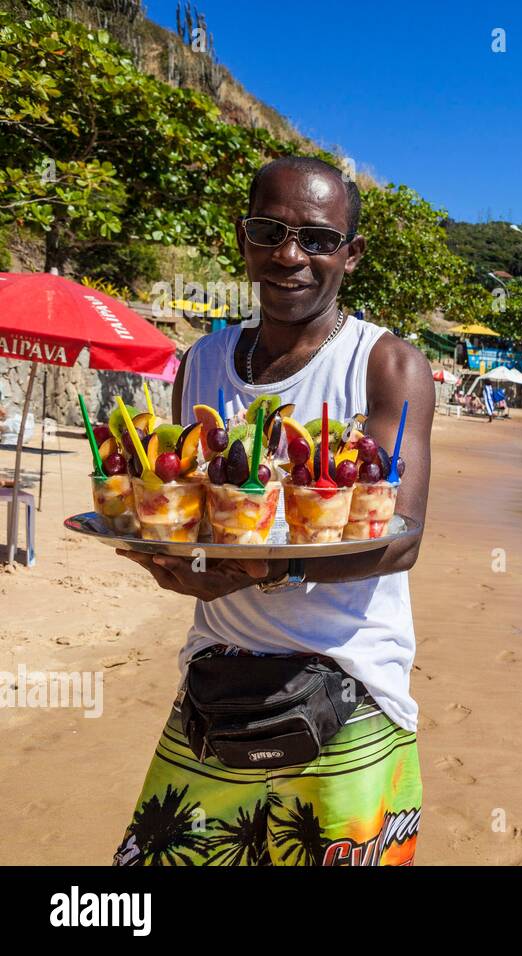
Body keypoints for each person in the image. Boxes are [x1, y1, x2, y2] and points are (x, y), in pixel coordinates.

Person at [112, 156, 434, 867]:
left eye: (318, 238)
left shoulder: (385, 365)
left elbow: (400, 540)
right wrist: (170, 557)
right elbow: (197, 515)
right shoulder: (203, 361)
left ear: (351, 255)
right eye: (271, 231)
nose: (291, 255)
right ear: (244, 239)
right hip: (218, 679)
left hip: (347, 686)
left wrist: (266, 568)